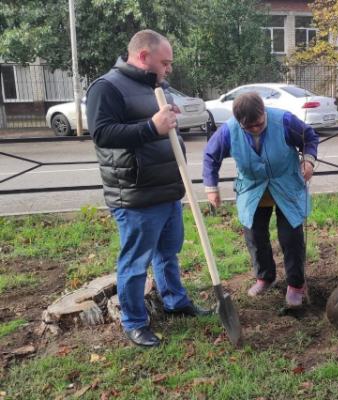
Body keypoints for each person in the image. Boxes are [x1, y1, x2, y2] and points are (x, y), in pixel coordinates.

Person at [86, 29, 211, 348]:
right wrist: (150, 127)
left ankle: (175, 302)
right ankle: (134, 321)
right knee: (136, 260)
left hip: (168, 187)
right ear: (143, 56)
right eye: (165, 62)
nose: (169, 69)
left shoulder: (158, 87)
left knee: (168, 251)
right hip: (136, 193)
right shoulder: (106, 88)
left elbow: (165, 131)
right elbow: (103, 134)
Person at [203, 92, 318, 308]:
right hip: (253, 188)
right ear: (240, 122)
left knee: (290, 237)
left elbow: (309, 137)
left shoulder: (283, 120)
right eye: (249, 127)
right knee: (255, 236)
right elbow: (210, 156)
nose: (255, 129)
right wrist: (212, 188)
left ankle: (295, 285)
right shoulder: (230, 130)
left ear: (264, 113)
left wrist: (309, 161)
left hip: (286, 185)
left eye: (259, 123)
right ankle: (265, 277)